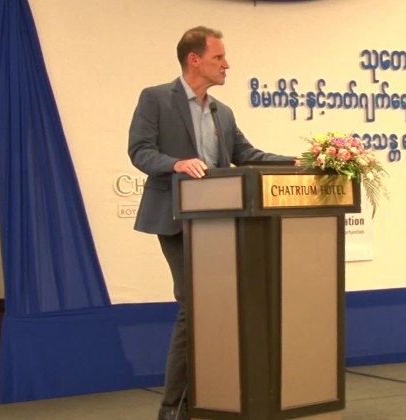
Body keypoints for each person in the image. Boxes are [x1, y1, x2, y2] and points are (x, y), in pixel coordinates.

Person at [128, 26, 293, 420]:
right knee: (193, 305)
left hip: (219, 223)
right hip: (176, 219)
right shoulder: (156, 98)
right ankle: (173, 408)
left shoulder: (223, 111)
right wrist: (176, 164)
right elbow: (140, 151)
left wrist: (296, 162)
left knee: (215, 307)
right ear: (194, 59)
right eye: (219, 57)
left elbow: (245, 154)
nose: (226, 64)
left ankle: (210, 399)